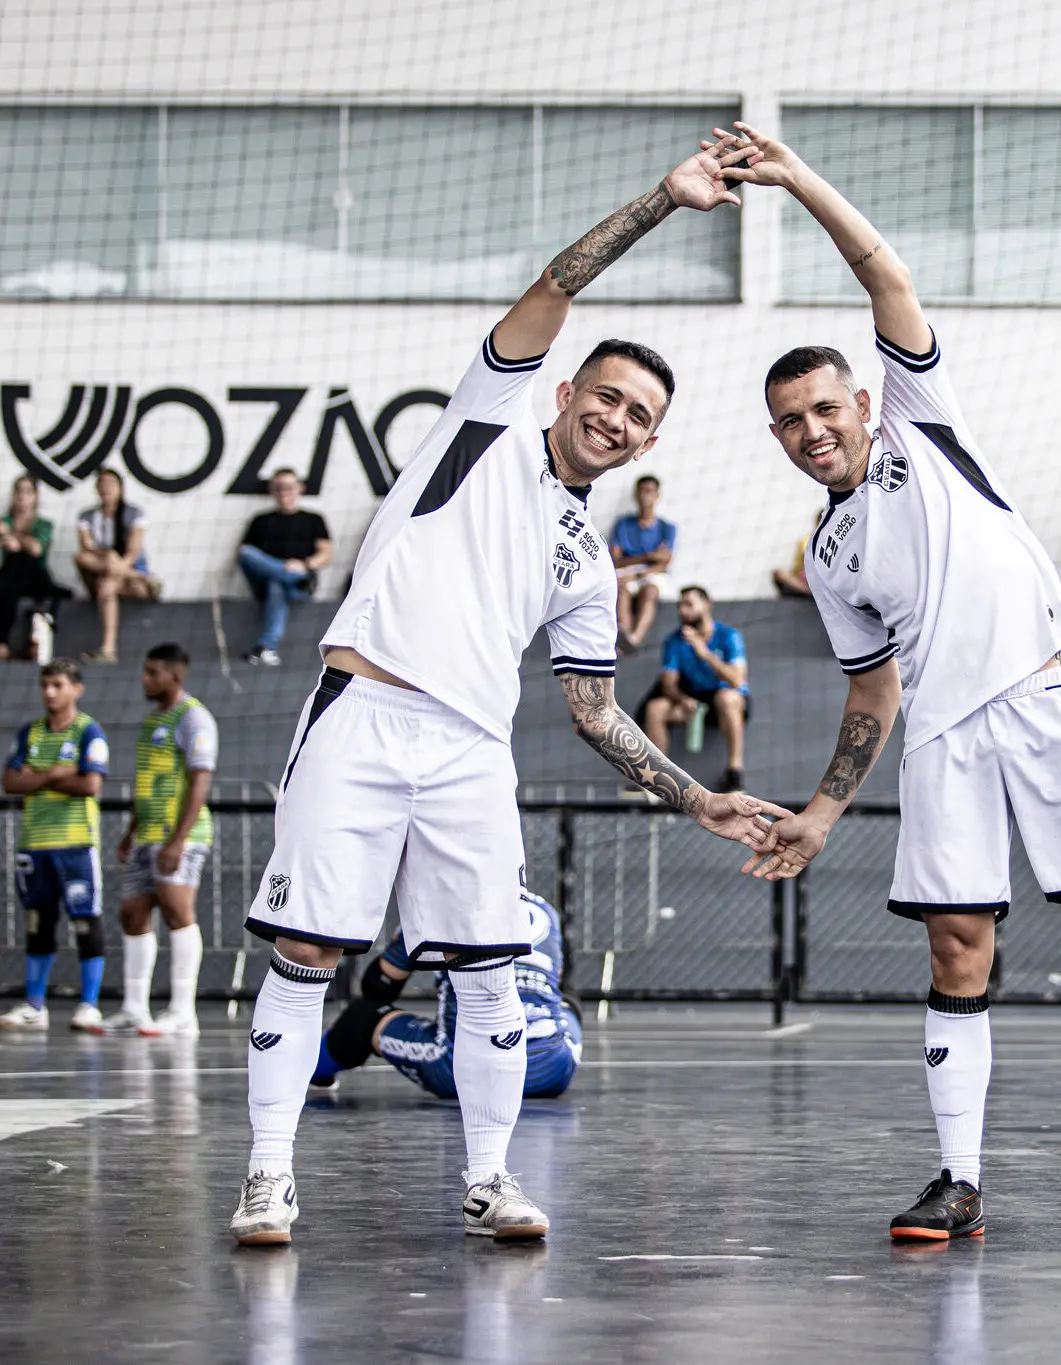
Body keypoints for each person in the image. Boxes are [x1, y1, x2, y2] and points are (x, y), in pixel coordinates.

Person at [226, 139, 783, 1248]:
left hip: (472, 752)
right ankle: (267, 1177)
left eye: (638, 415)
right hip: (363, 715)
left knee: (490, 972)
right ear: (566, 391)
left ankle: (488, 1178)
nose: (616, 418)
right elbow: (556, 284)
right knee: (306, 955)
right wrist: (663, 202)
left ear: (649, 440)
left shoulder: (589, 561)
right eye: (606, 395)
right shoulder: (480, 430)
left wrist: (698, 799)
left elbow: (594, 712)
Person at [722, 123, 1061, 1244]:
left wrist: (797, 177)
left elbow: (885, 277)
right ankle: (958, 1179)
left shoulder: (925, 425)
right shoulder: (829, 558)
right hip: (945, 737)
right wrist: (820, 812)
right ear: (777, 437)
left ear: (862, 403)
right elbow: (871, 696)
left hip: (1049, 702)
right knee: (956, 948)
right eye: (791, 421)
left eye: (826, 408)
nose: (812, 429)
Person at [309, 893, 581, 1102]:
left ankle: (313, 1072)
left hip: (465, 1074)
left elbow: (379, 987)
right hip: (552, 1071)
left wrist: (402, 941)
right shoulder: (544, 909)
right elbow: (555, 977)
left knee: (362, 1017)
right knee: (565, 1005)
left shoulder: (438, 906)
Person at [95, 643, 217, 1039]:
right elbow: (147, 781)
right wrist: (131, 832)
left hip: (180, 835)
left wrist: (178, 840)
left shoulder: (194, 718)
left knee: (177, 911)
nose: (145, 680)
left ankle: (183, 1012)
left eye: (153, 673)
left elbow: (200, 780)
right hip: (146, 835)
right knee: (132, 913)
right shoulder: (152, 721)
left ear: (175, 675)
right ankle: (135, 1009)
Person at [0, 659, 112, 1032]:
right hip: (35, 843)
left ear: (76, 689)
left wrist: (36, 776)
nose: (49, 692)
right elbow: (10, 782)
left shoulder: (88, 731)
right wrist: (57, 774)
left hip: (76, 843)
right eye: (45, 685)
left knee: (84, 921)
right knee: (37, 923)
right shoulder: (29, 733)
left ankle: (89, 1004)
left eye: (57, 685)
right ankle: (34, 1005)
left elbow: (90, 784)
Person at [640, 585, 748, 791]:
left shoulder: (729, 636)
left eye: (689, 604)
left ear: (707, 604)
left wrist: (704, 653)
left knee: (727, 698)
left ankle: (735, 773)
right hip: (692, 699)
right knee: (655, 708)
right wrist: (683, 700)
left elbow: (737, 680)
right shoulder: (674, 641)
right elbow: (668, 684)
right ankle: (657, 780)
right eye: (680, 605)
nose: (683, 610)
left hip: (722, 703)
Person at [237, 469, 332, 667]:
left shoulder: (313, 519)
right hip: (273, 582)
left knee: (276, 584)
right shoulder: (261, 521)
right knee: (248, 554)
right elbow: (246, 555)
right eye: (279, 487)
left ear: (300, 488)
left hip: (299, 587)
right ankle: (288, 575)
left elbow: (325, 554)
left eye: (289, 487)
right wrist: (287, 569)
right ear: (272, 490)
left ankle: (267, 646)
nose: (284, 492)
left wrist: (304, 565)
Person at [0, 476, 62, 661]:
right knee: (11, 581)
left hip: (37, 579)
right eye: (19, 491)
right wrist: (0, 541)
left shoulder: (43, 524)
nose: (22, 496)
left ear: (35, 496)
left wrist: (11, 536)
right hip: (11, 582)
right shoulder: (2, 521)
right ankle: (3, 645)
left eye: (28, 491)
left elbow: (36, 549)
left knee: (20, 559)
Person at [74, 468, 160, 665]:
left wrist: (117, 565)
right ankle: (145, 579)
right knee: (81, 559)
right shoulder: (87, 516)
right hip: (107, 571)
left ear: (121, 488)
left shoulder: (134, 513)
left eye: (111, 484)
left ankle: (108, 650)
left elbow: (133, 551)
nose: (106, 488)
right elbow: (87, 547)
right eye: (102, 484)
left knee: (107, 585)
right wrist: (108, 557)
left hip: (129, 580)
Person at [610, 474, 676, 651]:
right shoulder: (623, 524)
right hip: (628, 571)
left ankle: (633, 639)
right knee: (621, 590)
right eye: (641, 491)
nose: (645, 495)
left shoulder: (667, 527)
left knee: (650, 592)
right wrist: (648, 556)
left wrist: (640, 572)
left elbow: (664, 562)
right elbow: (615, 561)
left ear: (657, 495)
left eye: (649, 491)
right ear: (635, 494)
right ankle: (624, 636)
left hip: (651, 573)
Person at [773, 510, 824, 598]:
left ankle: (810, 591)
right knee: (778, 573)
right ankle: (807, 591)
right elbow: (808, 557)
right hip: (803, 579)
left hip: (818, 580)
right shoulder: (808, 540)